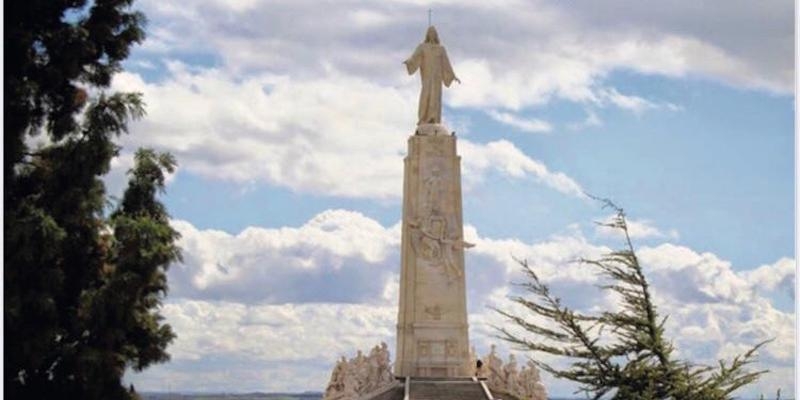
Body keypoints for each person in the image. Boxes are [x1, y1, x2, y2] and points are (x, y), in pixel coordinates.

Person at [403, 26, 460, 125]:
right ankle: (423, 118)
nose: (432, 34)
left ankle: (433, 118)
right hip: (427, 77)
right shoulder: (422, 47)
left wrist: (452, 75)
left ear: (436, 35)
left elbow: (446, 63)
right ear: (427, 34)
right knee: (426, 96)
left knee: (435, 98)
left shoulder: (441, 49)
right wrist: (409, 62)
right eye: (430, 32)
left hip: (437, 78)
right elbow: (415, 57)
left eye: (433, 32)